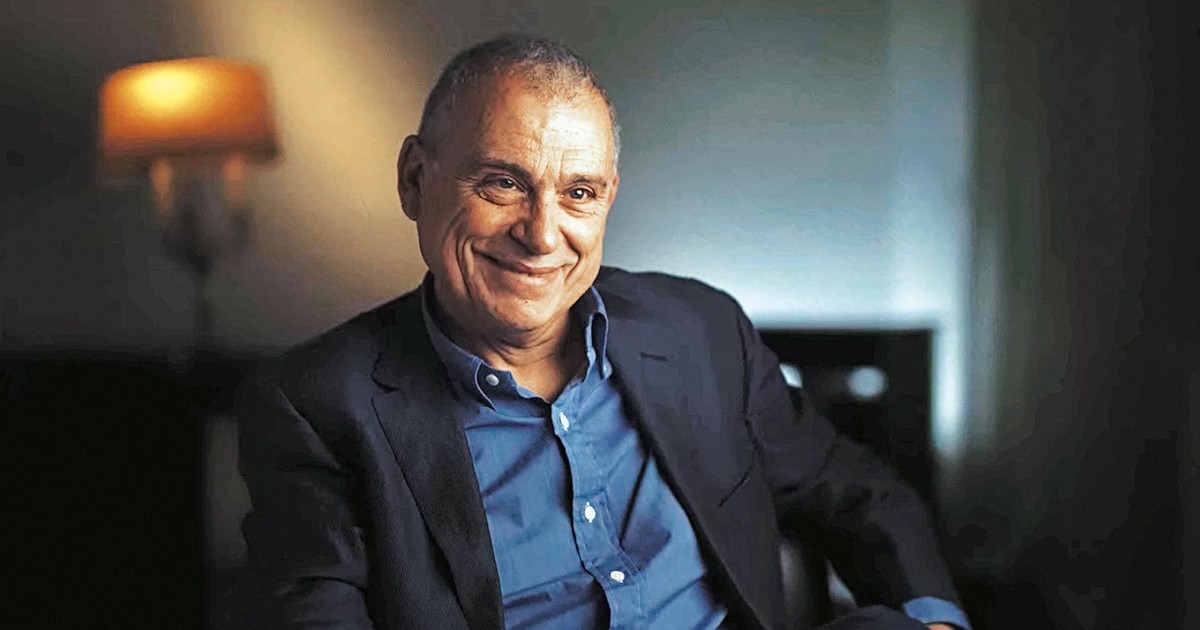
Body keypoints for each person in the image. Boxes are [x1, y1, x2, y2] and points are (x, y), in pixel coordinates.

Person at [238, 34, 970, 630]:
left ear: (608, 199)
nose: (541, 234)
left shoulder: (699, 332)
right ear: (414, 180)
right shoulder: (317, 406)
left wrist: (934, 619)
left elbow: (857, 491)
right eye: (503, 183)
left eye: (578, 193)